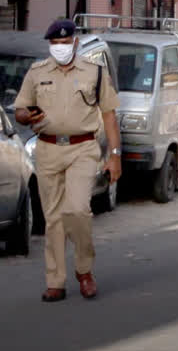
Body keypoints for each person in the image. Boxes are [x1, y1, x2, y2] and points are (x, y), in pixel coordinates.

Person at [14, 19, 121, 302]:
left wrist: (114, 155)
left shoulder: (94, 72)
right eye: (55, 44)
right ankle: (56, 281)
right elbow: (21, 109)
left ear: (75, 42)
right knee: (53, 219)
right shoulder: (37, 72)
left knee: (78, 209)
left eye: (65, 43)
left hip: (83, 148)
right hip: (48, 149)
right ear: (50, 45)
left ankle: (84, 269)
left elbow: (109, 115)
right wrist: (25, 115)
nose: (60, 48)